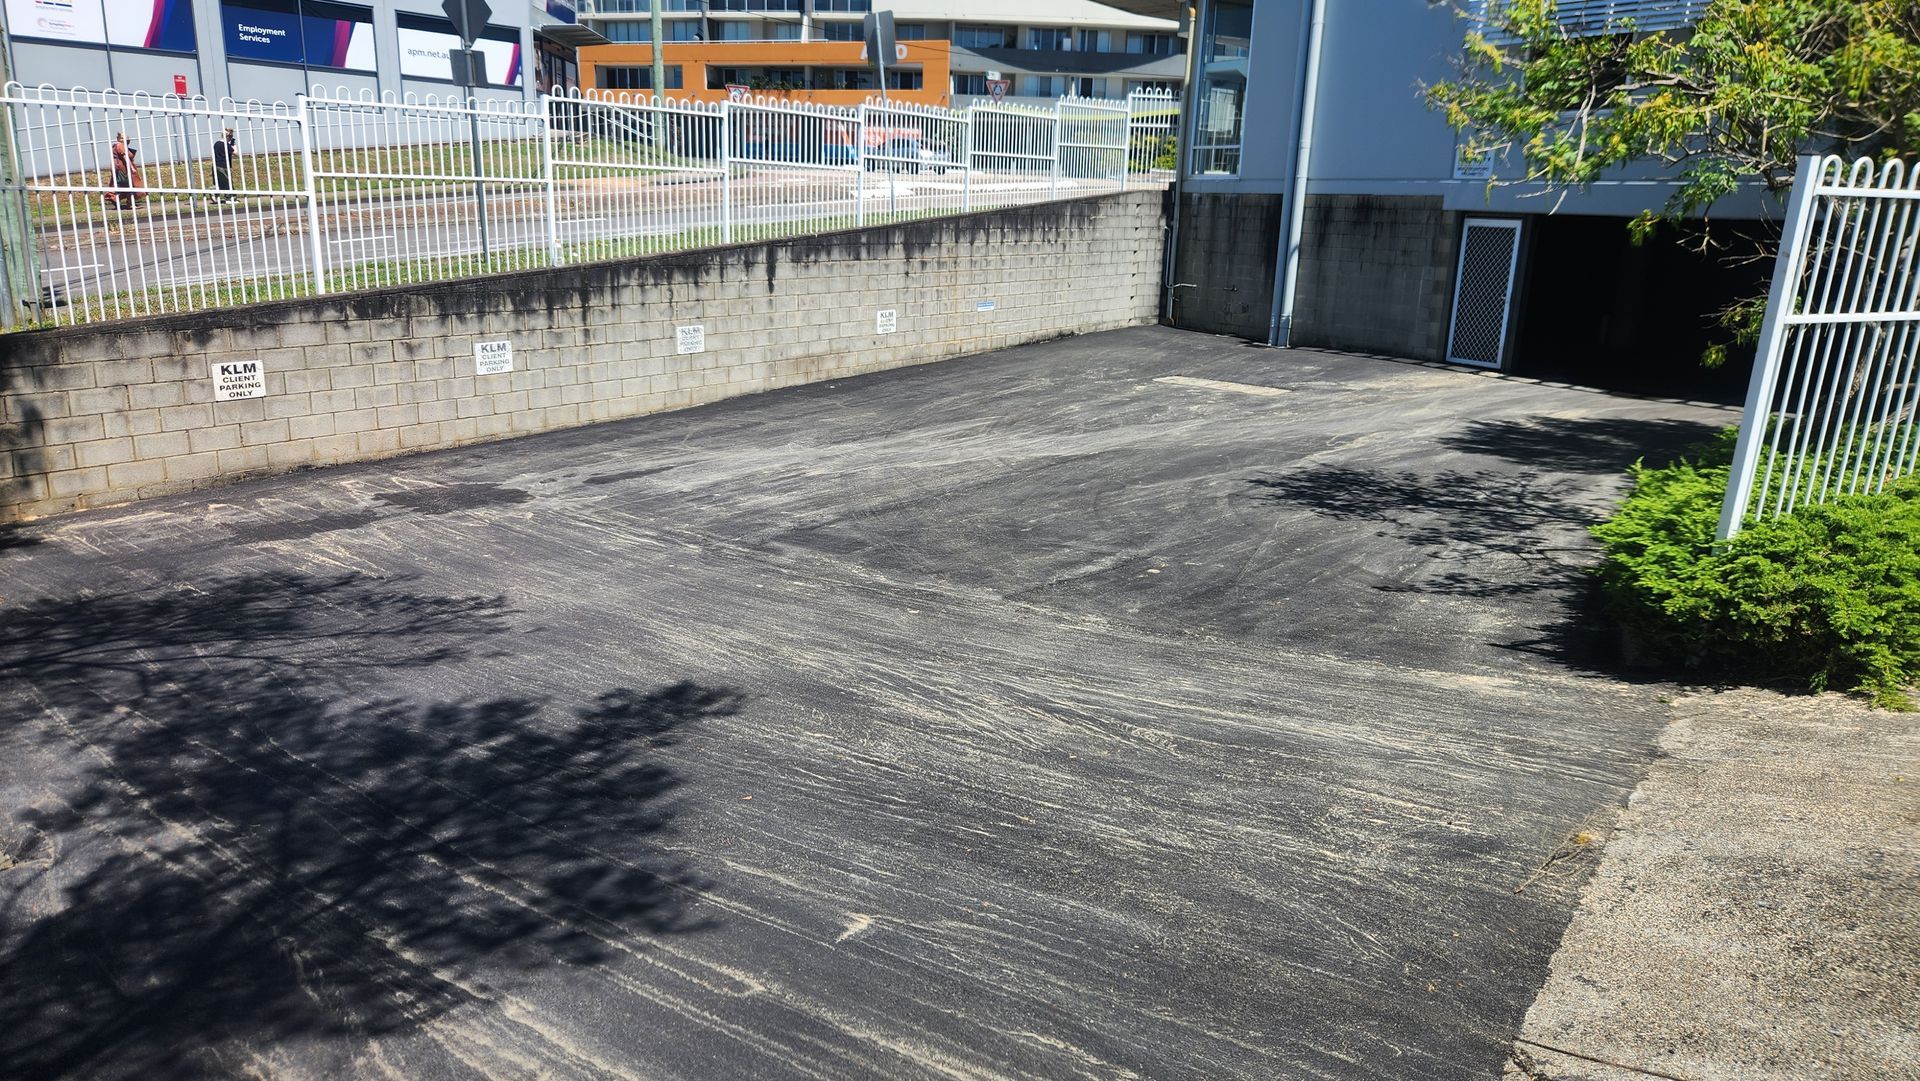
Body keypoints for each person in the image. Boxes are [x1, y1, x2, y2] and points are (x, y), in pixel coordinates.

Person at [107, 132, 139, 209]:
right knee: (127, 184)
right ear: (118, 139)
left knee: (119, 183)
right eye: (123, 138)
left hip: (119, 167)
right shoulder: (120, 145)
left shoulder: (118, 146)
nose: (126, 140)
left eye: (127, 138)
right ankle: (126, 202)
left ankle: (115, 198)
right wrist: (132, 167)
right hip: (122, 167)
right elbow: (125, 157)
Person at [211, 127, 237, 204]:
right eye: (231, 137)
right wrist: (234, 144)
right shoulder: (226, 145)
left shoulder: (216, 144)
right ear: (228, 137)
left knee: (220, 182)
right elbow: (236, 153)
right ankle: (229, 198)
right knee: (227, 182)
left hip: (216, 165)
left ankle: (214, 191)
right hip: (224, 166)